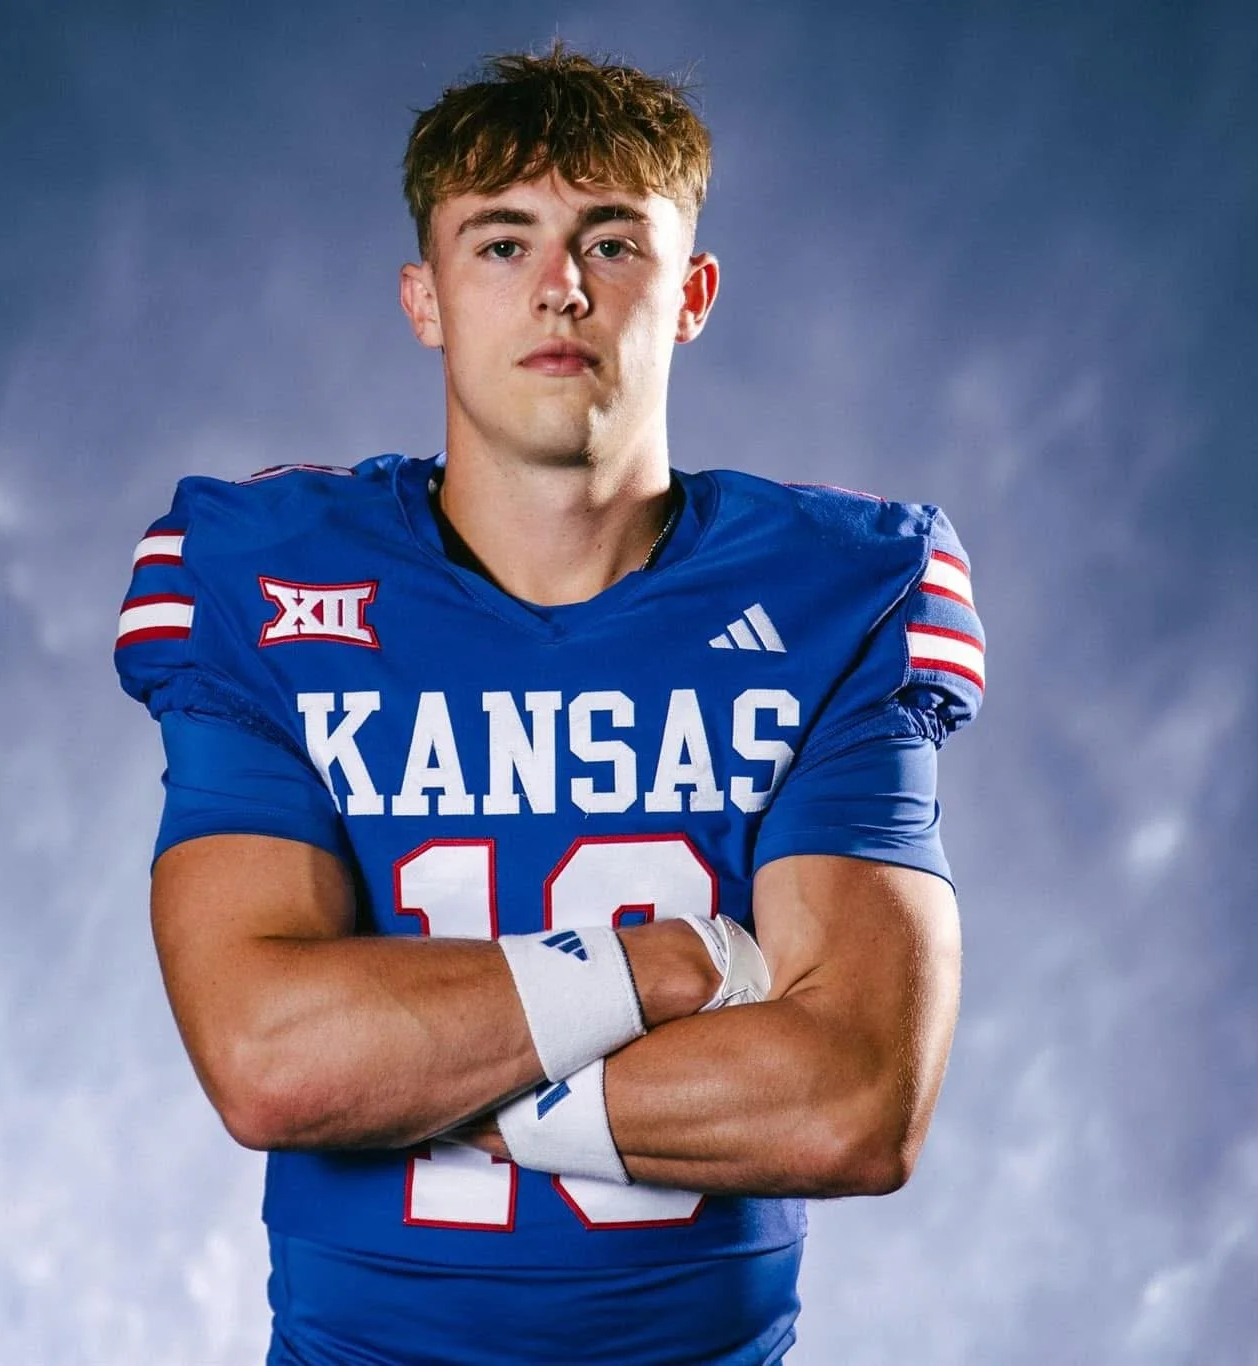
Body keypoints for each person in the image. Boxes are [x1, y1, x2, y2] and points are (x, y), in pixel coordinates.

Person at [114, 42, 985, 1365]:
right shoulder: (263, 576)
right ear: (426, 298)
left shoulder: (846, 588)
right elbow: (271, 1061)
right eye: (503, 242)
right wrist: (683, 963)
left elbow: (853, 1103)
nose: (560, 286)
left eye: (613, 243)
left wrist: (405, 1082)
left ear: (692, 294)